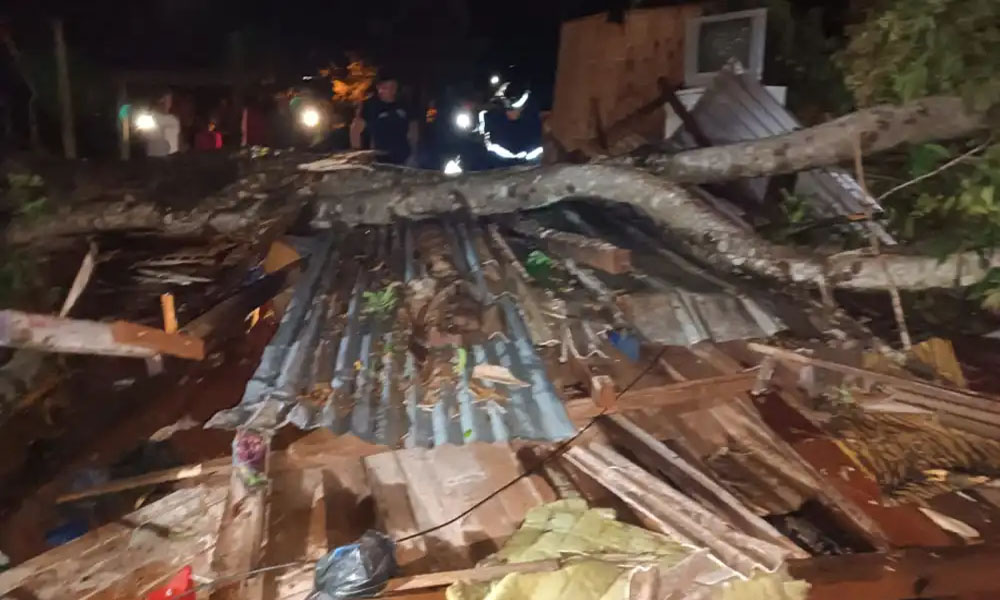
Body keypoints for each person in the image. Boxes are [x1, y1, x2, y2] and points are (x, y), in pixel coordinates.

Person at [351, 73, 417, 165]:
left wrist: (414, 153)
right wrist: (358, 153)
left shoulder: (404, 105)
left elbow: (413, 130)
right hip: (379, 157)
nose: (381, 91)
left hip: (404, 157)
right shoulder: (370, 106)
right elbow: (356, 129)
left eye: (386, 87)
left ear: (395, 88)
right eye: (380, 87)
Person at [481, 79, 543, 168]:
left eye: (512, 110)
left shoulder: (536, 122)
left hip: (531, 167)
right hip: (498, 166)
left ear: (523, 107)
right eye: (507, 109)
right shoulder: (493, 117)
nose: (508, 113)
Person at [145, 92, 181, 157]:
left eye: (170, 99)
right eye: (167, 99)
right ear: (160, 100)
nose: (169, 102)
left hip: (174, 155)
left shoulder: (174, 119)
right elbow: (145, 135)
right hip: (156, 155)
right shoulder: (150, 117)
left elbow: (178, 137)